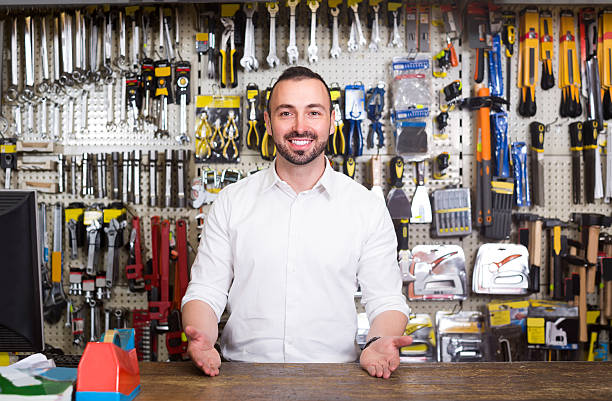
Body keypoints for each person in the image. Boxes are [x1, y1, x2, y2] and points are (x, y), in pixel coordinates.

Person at [181, 66, 411, 379]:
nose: (300, 126)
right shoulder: (231, 202)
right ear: (267, 122)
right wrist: (203, 337)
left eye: (313, 113)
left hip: (337, 382)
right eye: (286, 113)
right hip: (242, 381)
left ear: (332, 122)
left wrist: (378, 341)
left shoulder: (366, 207)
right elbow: (205, 291)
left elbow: (385, 299)